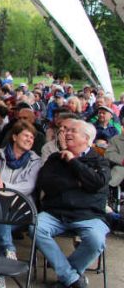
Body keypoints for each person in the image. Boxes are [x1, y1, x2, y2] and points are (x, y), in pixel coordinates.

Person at [34, 120, 110, 288]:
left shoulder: (99, 161)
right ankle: (72, 279)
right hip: (56, 213)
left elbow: (97, 183)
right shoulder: (55, 158)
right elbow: (44, 182)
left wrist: (73, 162)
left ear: (86, 138)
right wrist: (78, 183)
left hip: (89, 215)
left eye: (73, 131)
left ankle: (66, 277)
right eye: (66, 130)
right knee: (36, 227)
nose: (66, 133)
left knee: (96, 240)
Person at [0, 120, 41, 288]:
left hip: (20, 208)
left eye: (32, 137)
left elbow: (29, 186)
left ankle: (3, 259)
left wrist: (5, 186)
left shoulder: (35, 160)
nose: (29, 139)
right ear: (14, 137)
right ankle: (7, 252)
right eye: (26, 135)